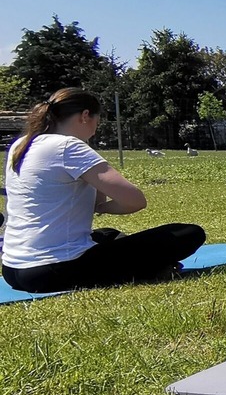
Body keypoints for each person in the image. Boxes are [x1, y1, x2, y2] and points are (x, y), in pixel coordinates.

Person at [2, 88, 206, 293]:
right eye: (96, 123)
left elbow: (92, 195)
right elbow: (135, 200)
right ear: (85, 116)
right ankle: (150, 269)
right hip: (53, 270)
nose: (94, 131)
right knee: (189, 233)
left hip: (13, 269)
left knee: (108, 234)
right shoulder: (68, 146)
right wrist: (103, 207)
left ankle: (146, 266)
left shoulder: (22, 143)